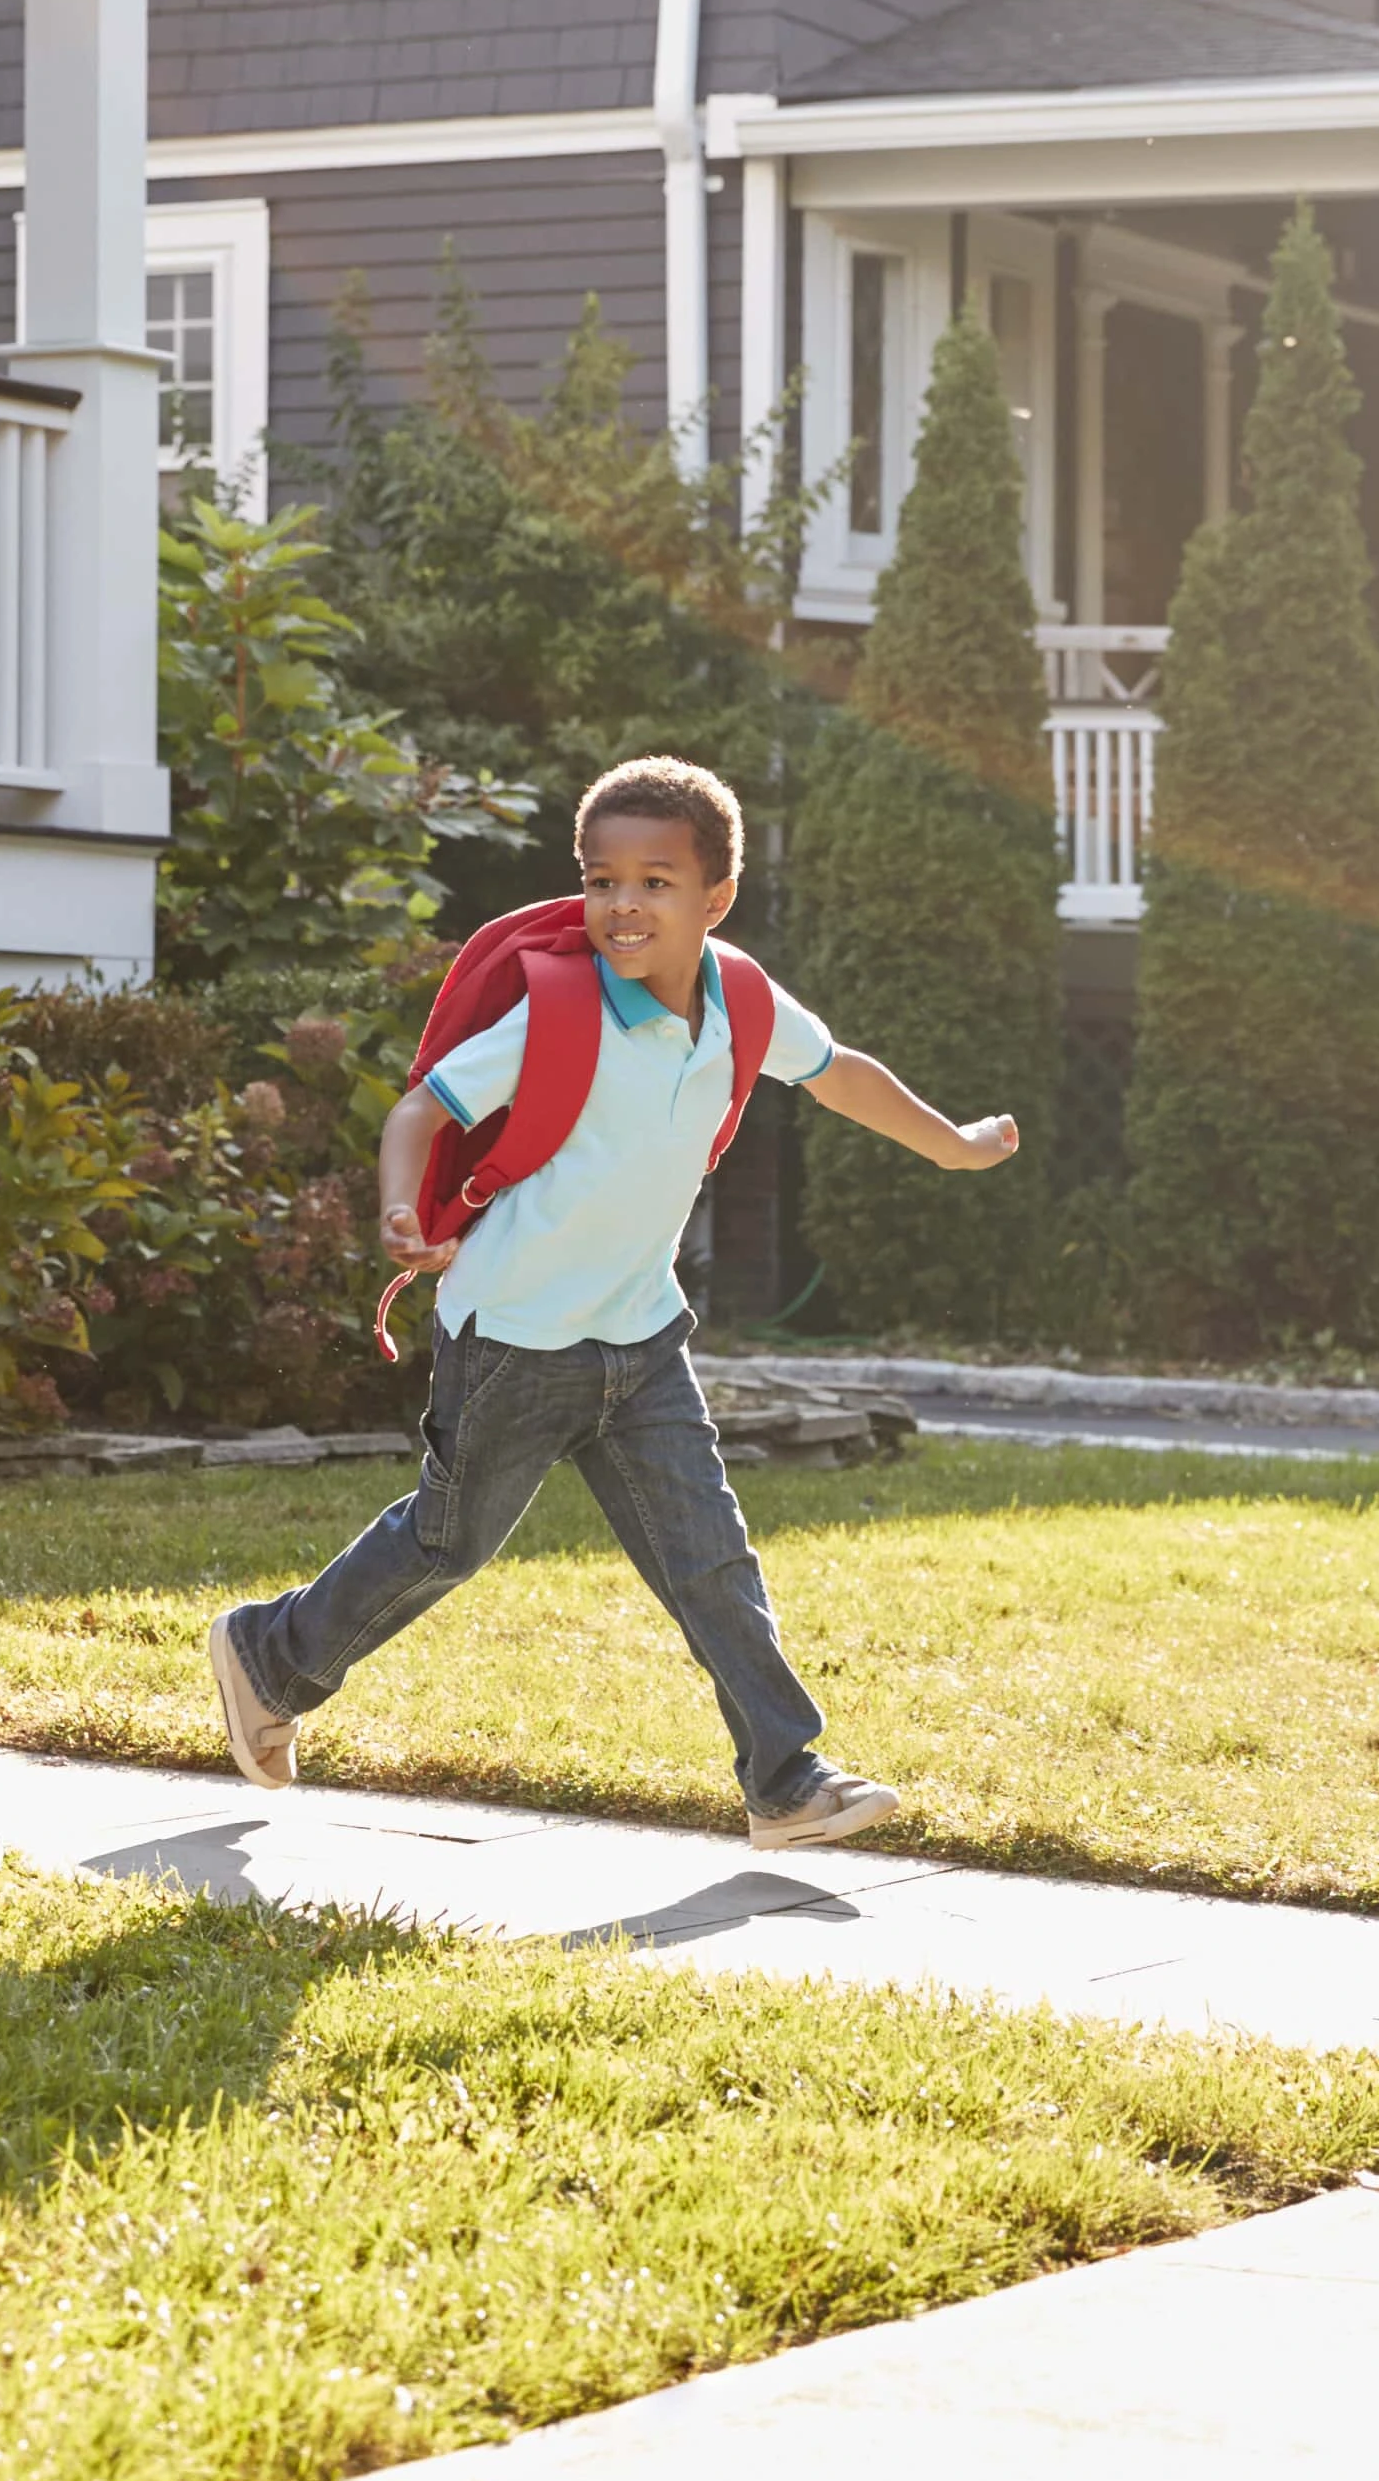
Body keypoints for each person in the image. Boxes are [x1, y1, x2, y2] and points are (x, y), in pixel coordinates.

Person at [204, 757, 1018, 1849]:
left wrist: (955, 1146)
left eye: (654, 882)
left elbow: (842, 1073)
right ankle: (270, 1655)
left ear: (715, 898)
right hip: (513, 1338)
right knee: (445, 1545)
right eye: (600, 882)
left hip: (639, 1336)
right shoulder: (559, 1014)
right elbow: (420, 1113)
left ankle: (787, 1781)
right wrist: (403, 1211)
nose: (621, 906)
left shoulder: (743, 1000)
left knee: (711, 1560)